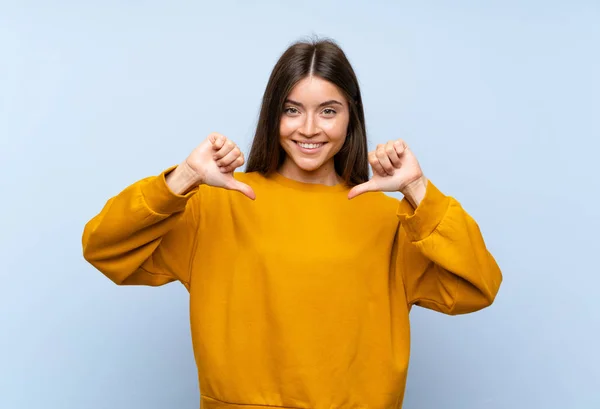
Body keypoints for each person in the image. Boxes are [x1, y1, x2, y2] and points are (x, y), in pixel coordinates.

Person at [82, 38, 502, 409]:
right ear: (272, 114)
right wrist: (185, 177)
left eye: (328, 111)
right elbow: (104, 245)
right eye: (292, 110)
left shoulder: (390, 217)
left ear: (350, 117)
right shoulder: (217, 204)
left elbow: (479, 283)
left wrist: (416, 187)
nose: (308, 128)